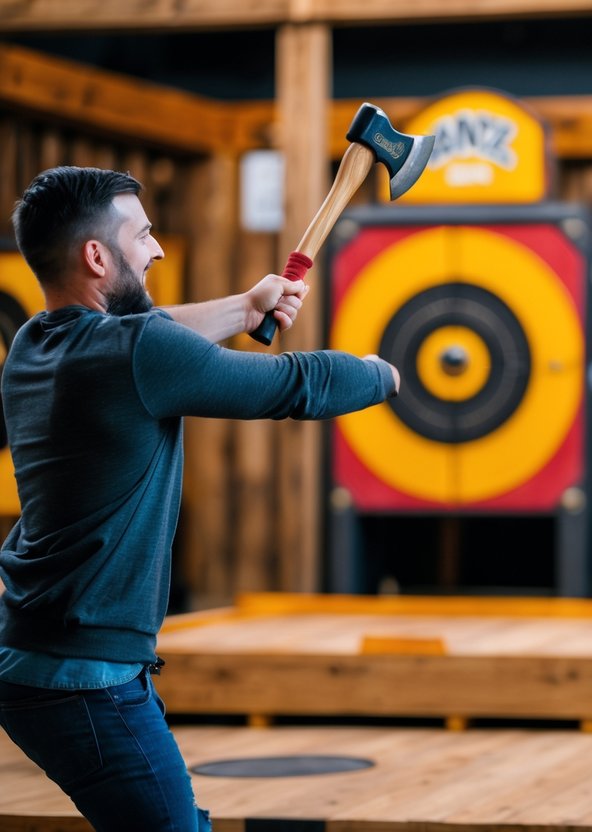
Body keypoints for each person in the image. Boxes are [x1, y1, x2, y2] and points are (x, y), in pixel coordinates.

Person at [0, 166, 401, 832]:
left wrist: (247, 307)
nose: (156, 249)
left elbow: (149, 332)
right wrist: (381, 372)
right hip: (86, 676)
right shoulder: (135, 352)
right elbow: (294, 385)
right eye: (144, 235)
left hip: (32, 654)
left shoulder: (35, 346)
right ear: (97, 256)